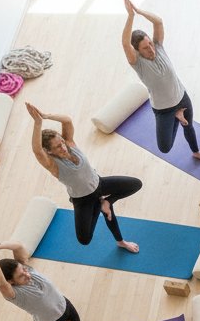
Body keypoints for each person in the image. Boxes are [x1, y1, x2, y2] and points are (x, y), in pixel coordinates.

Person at [28, 103, 141, 252]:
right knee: (84, 239)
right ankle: (102, 206)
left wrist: (46, 116)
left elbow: (67, 121)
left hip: (99, 184)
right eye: (57, 147)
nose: (62, 147)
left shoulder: (69, 143)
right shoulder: (52, 164)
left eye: (61, 141)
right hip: (83, 199)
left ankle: (107, 207)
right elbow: (37, 151)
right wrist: (38, 123)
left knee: (135, 184)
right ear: (49, 152)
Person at [121, 0, 200, 162]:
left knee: (189, 126)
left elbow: (158, 22)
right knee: (165, 147)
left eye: (150, 44)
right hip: (163, 110)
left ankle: (196, 152)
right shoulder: (137, 62)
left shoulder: (159, 46)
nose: (150, 48)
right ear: (138, 51)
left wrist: (139, 11)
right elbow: (125, 44)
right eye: (145, 48)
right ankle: (177, 116)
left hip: (182, 98)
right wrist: (131, 16)